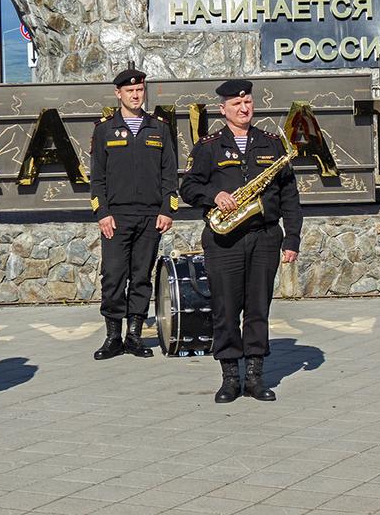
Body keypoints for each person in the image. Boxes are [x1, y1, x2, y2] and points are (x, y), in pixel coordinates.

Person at [181, 79, 301, 403]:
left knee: (259, 308)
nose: (244, 108)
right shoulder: (208, 146)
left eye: (247, 103)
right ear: (223, 109)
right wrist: (214, 194)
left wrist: (292, 239)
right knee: (225, 309)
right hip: (224, 240)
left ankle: (255, 377)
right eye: (236, 104)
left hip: (264, 237)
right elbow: (187, 188)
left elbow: (290, 195)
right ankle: (230, 377)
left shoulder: (272, 144)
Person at [88, 68, 179, 360]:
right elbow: (97, 177)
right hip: (116, 216)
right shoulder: (104, 130)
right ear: (118, 94)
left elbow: (169, 174)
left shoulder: (160, 128)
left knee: (141, 277)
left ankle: (134, 336)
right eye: (130, 91)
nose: (136, 95)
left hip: (151, 216)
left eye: (140, 90)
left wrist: (168, 209)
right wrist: (102, 212)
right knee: (113, 276)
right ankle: (113, 336)